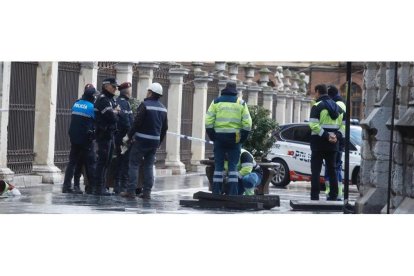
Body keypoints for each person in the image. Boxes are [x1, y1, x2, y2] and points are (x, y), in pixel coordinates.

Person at [120, 82, 168, 199]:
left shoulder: (145, 105)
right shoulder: (163, 109)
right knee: (148, 166)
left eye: (148, 91)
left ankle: (130, 191)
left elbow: (137, 123)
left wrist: (128, 136)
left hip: (141, 140)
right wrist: (159, 142)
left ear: (150, 92)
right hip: (154, 142)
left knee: (134, 164)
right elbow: (165, 128)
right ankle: (147, 193)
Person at [205, 81, 252, 196]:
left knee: (219, 167)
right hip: (235, 140)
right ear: (235, 91)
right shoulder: (241, 103)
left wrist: (213, 137)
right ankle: (233, 193)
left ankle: (216, 192)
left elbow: (208, 122)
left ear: (225, 89)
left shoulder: (216, 102)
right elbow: (247, 124)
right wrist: (242, 139)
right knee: (232, 167)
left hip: (219, 138)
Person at [308, 84, 344, 201]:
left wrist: (326, 135)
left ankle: (315, 196)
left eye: (315, 93)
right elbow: (344, 127)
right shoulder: (338, 108)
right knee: (332, 169)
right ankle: (333, 195)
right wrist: (336, 136)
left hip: (318, 144)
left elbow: (313, 125)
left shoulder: (317, 106)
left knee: (316, 171)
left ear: (318, 92)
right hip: (333, 144)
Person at [62, 84, 97, 194]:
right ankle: (92, 187)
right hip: (86, 139)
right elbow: (95, 122)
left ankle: (66, 186)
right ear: (92, 96)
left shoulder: (76, 104)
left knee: (72, 162)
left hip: (74, 137)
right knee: (90, 163)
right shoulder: (92, 107)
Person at [94, 78, 120, 196]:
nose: (115, 89)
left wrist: (116, 112)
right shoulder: (103, 100)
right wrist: (115, 112)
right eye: (113, 86)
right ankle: (99, 187)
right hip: (103, 134)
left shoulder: (110, 100)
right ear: (106, 86)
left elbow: (119, 115)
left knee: (107, 162)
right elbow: (112, 117)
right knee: (102, 161)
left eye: (116, 87)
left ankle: (102, 186)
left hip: (110, 134)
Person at [324, 85, 346, 200]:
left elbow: (341, 125)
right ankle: (338, 194)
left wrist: (334, 136)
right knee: (336, 167)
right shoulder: (341, 102)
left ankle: (333, 193)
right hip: (340, 141)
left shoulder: (337, 104)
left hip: (336, 141)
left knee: (332, 168)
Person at [113, 82, 134, 194]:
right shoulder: (123, 103)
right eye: (130, 90)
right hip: (124, 138)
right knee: (124, 162)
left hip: (119, 137)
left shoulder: (121, 102)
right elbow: (127, 122)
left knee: (119, 161)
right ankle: (122, 186)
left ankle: (117, 185)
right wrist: (131, 135)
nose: (131, 92)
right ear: (127, 91)